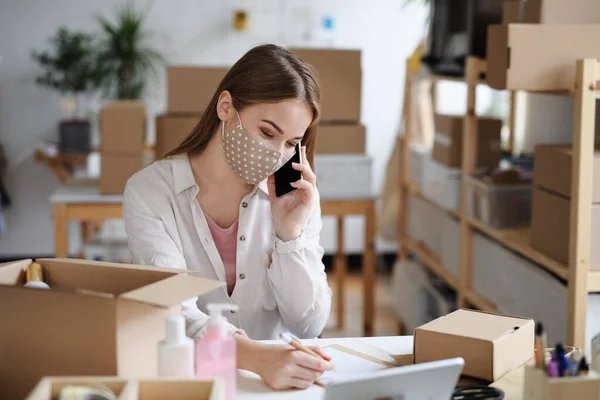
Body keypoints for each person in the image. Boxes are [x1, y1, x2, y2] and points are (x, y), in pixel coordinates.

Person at [123, 44, 334, 390]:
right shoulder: (150, 192)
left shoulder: (295, 198)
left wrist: (289, 234)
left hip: (275, 386)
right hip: (191, 383)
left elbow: (308, 325)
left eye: (290, 143)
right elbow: (174, 313)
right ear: (226, 108)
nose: (276, 153)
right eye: (267, 132)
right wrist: (259, 359)